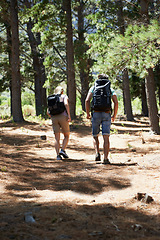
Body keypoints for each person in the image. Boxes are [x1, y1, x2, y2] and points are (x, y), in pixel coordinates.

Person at [85, 74, 118, 164]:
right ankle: (106, 158)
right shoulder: (110, 89)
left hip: (95, 113)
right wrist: (114, 115)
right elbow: (116, 102)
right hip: (107, 113)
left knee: (95, 135)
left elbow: (87, 100)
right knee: (106, 137)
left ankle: (97, 153)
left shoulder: (93, 88)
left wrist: (88, 114)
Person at [47, 86, 71, 160]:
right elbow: (66, 104)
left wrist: (52, 116)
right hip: (63, 117)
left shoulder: (51, 98)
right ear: (62, 91)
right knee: (66, 135)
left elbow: (48, 111)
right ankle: (62, 150)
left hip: (54, 117)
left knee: (57, 138)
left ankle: (58, 155)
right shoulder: (64, 96)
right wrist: (69, 115)